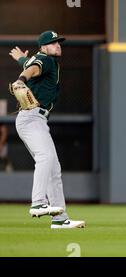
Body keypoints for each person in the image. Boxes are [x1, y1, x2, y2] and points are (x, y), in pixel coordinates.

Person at [9, 30, 85, 229]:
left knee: (54, 169)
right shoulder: (47, 60)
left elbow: (31, 65)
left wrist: (22, 59)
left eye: (58, 42)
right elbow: (32, 69)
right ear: (43, 47)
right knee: (45, 157)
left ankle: (60, 218)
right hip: (31, 117)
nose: (57, 45)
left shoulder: (39, 58)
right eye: (53, 43)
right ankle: (38, 202)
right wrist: (21, 80)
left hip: (36, 119)